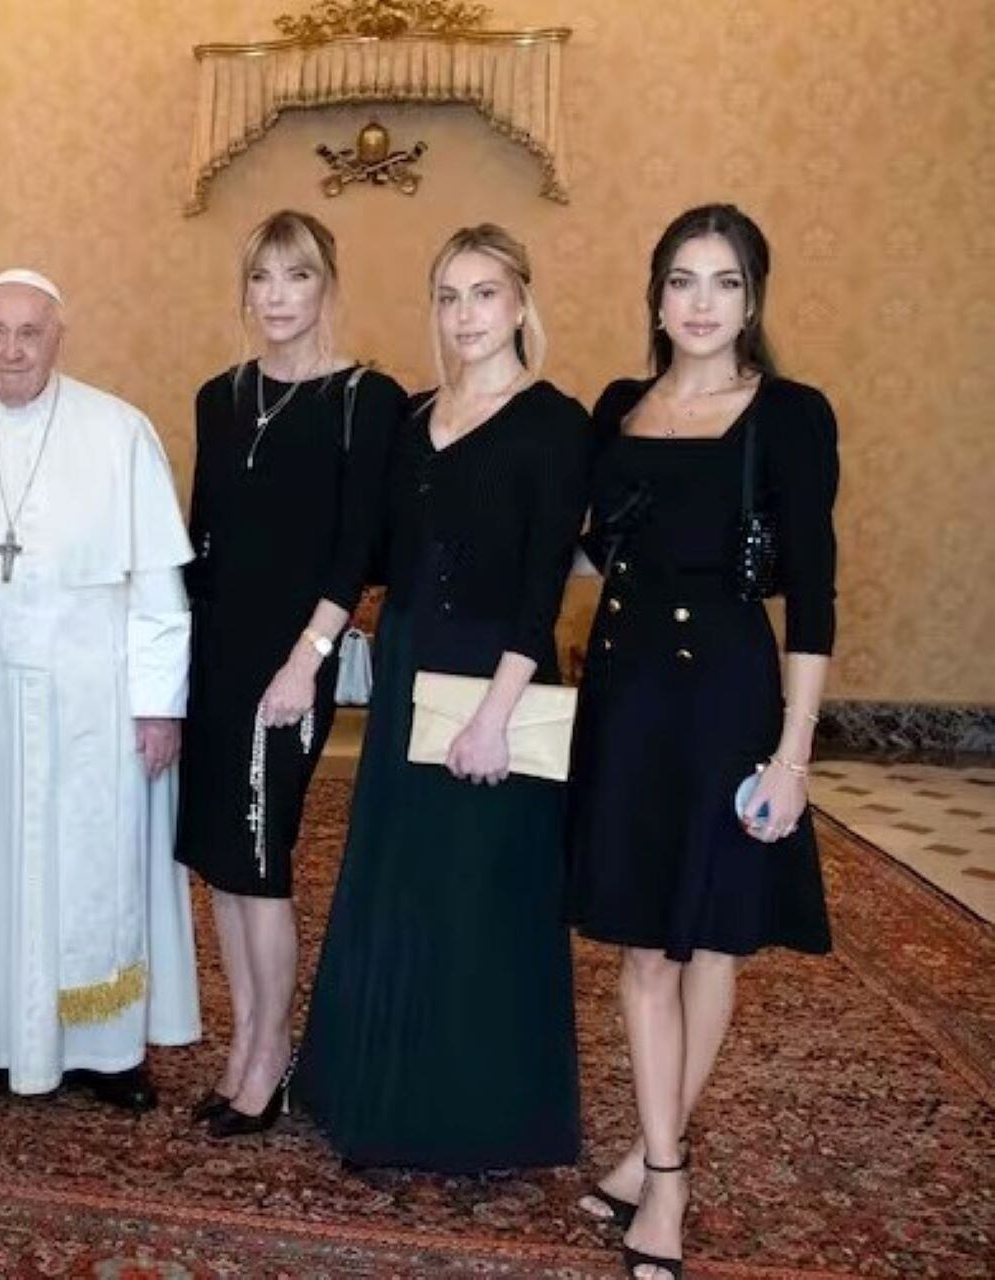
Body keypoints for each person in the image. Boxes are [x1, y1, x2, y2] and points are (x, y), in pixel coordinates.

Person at [566, 204, 838, 1280]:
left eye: (724, 281)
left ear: (755, 297)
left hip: (729, 697)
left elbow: (812, 595)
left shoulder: (790, 415)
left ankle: (656, 1168)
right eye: (682, 279)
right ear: (657, 293)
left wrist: (795, 750)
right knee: (643, 942)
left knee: (713, 937)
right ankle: (662, 1163)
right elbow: (583, 555)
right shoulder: (617, 407)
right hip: (627, 696)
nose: (701, 302)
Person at [291, 225, 588, 1170]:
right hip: (414, 666)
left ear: (521, 302)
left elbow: (543, 585)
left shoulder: (556, 421)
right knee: (401, 886)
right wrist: (308, 651)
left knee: (480, 900)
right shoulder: (412, 417)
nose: (467, 316)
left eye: (485, 294)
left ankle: (478, 1120)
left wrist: (495, 716)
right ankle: (376, 1094)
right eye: (450, 297)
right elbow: (360, 555)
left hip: (498, 675)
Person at [0, 268, 200, 1111]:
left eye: (29, 332)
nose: (11, 349)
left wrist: (160, 703)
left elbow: (161, 591)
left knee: (99, 870)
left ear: (59, 336)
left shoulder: (119, 429)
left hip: (97, 693)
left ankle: (105, 1051)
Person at [177, 210, 404, 1138]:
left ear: (327, 285)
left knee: (263, 864)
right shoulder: (219, 395)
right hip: (215, 660)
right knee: (223, 870)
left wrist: (305, 662)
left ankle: (270, 1058)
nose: (277, 297)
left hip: (291, 664)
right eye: (262, 279)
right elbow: (200, 540)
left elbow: (356, 549)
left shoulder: (365, 398)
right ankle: (242, 1048)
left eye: (297, 276)